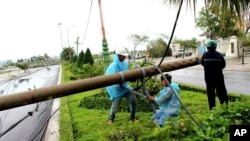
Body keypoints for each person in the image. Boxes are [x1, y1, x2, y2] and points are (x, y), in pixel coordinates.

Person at [105, 48, 137, 124]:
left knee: (133, 101)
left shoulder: (125, 64)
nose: (124, 57)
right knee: (115, 105)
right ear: (119, 55)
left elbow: (127, 73)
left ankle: (132, 118)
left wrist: (133, 77)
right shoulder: (114, 65)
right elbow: (117, 76)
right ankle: (111, 119)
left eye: (125, 56)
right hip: (116, 88)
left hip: (125, 87)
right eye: (123, 56)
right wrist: (129, 79)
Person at [201, 40, 228, 110]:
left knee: (210, 94)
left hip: (209, 78)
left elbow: (202, 63)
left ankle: (212, 109)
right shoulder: (219, 55)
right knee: (222, 93)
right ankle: (225, 107)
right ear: (215, 47)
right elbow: (223, 65)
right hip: (218, 78)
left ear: (207, 47)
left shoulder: (205, 55)